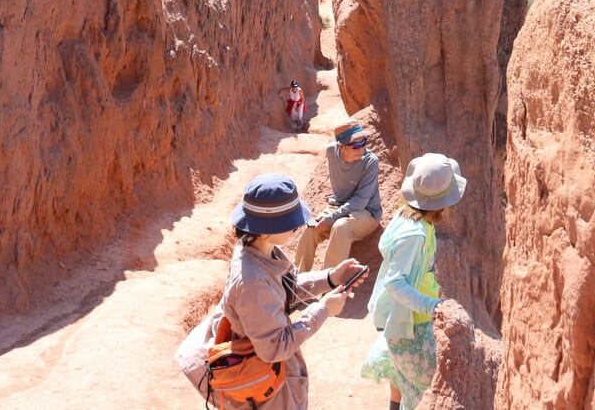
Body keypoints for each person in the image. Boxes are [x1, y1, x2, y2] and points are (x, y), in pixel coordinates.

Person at [176, 173, 367, 409]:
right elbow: (275, 348)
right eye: (291, 223)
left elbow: (286, 287)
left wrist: (329, 278)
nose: (297, 226)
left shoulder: (259, 248)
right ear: (267, 229)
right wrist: (323, 310)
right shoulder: (252, 283)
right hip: (264, 388)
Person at [361, 153, 467, 410]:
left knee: (400, 375)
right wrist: (431, 306)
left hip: (403, 319)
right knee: (427, 387)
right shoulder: (415, 235)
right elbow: (396, 283)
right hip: (411, 327)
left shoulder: (406, 216)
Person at [295, 122, 383, 272]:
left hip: (367, 213)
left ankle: (329, 285)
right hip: (338, 205)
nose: (361, 148)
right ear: (340, 146)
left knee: (340, 227)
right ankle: (298, 280)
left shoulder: (370, 162)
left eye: (363, 142)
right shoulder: (331, 152)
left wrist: (330, 218)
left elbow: (360, 202)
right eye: (355, 145)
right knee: (311, 229)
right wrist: (332, 212)